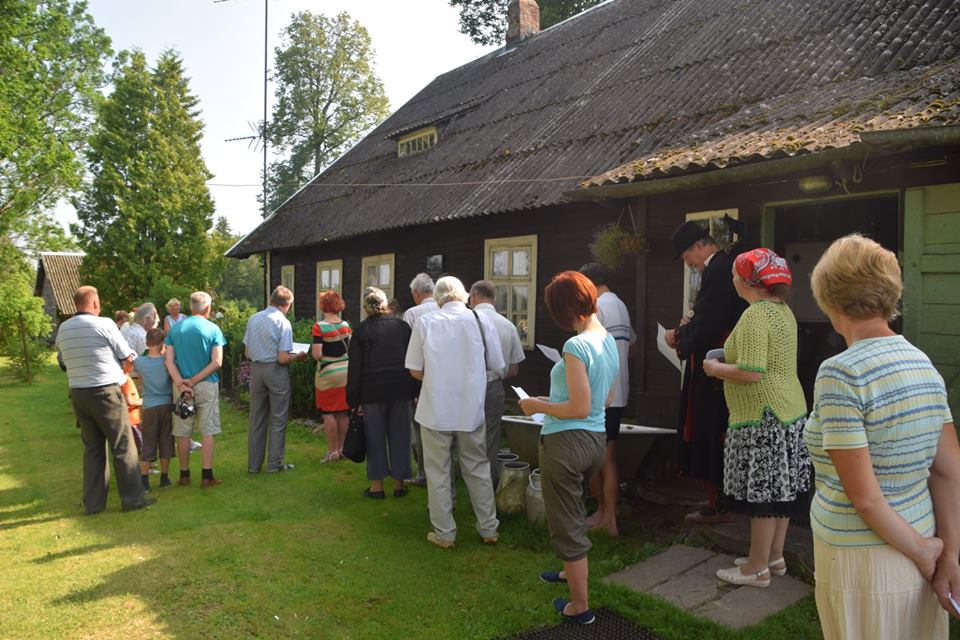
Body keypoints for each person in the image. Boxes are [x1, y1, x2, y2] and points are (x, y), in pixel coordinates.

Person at [804, 234, 959, 639]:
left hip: (863, 563)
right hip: (923, 549)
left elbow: (866, 499)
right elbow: (949, 471)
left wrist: (925, 551)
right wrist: (949, 555)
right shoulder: (922, 362)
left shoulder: (840, 372)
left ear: (830, 299)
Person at [702, 248, 812, 587]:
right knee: (780, 491)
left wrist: (714, 368)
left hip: (763, 415)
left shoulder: (755, 315)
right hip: (789, 410)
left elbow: (751, 372)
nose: (732, 279)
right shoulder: (783, 311)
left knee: (763, 496)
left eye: (735, 274)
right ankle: (774, 557)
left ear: (749, 281)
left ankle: (756, 568)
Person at [518, 271, 618, 625]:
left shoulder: (575, 346)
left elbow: (578, 407)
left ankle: (580, 606)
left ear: (565, 312)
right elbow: (603, 400)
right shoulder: (607, 340)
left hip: (566, 443)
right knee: (572, 510)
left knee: (566, 524)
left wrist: (537, 405)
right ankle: (569, 571)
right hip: (595, 441)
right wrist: (551, 400)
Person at [405, 276, 504, 548]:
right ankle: (488, 528)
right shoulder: (480, 321)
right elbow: (496, 364)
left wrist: (437, 376)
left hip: (435, 409)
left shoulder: (425, 322)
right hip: (470, 408)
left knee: (438, 471)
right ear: (464, 295)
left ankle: (445, 532)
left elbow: (414, 369)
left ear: (437, 297)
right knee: (478, 467)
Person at [665, 222, 747, 524]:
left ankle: (722, 503)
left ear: (699, 246)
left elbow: (710, 323)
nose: (688, 263)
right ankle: (718, 498)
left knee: (712, 429)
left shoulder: (719, 271)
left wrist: (678, 336)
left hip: (716, 368)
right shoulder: (722, 269)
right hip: (719, 363)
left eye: (687, 256)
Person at [56, 286, 152, 513]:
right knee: (122, 444)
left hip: (78, 393)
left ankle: (94, 504)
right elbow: (128, 355)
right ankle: (133, 500)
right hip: (105, 391)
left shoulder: (63, 328)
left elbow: (62, 363)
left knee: (93, 448)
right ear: (95, 303)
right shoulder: (105, 324)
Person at [578, 263, 636, 537]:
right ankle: (606, 515)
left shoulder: (597, 308)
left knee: (598, 459)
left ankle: (607, 517)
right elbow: (631, 347)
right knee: (606, 456)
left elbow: (586, 350)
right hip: (619, 390)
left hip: (601, 394)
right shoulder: (620, 305)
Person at [347, 287, 416, 498]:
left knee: (374, 437)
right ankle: (399, 484)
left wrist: (353, 400)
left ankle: (377, 487)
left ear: (365, 308)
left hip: (372, 391)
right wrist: (414, 391)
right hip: (400, 388)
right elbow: (412, 360)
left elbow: (355, 368)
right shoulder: (402, 327)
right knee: (400, 435)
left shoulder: (361, 331)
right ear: (386, 304)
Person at [164, 291, 227, 488]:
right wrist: (194, 380)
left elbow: (168, 361)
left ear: (191, 307)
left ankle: (184, 475)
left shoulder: (176, 329)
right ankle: (207, 476)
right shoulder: (213, 328)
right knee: (208, 430)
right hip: (206, 384)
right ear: (207, 308)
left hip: (181, 386)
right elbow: (217, 361)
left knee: (182, 431)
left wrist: (181, 383)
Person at [243, 286, 307, 474]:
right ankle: (274, 465)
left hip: (256, 370)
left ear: (272, 300)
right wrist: (298, 357)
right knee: (278, 418)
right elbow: (283, 358)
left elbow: (247, 352)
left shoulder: (254, 318)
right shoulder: (283, 322)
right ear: (287, 304)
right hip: (275, 371)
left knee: (257, 418)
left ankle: (253, 466)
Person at [468, 280, 525, 489]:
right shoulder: (508, 325)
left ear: (474, 296)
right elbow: (514, 369)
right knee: (491, 438)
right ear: (494, 299)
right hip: (494, 386)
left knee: (464, 435)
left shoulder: (465, 321)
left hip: (466, 387)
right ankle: (487, 484)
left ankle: (464, 478)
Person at [403, 273, 439, 486]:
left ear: (416, 294)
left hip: (419, 378)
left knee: (420, 430)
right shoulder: (443, 309)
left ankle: (424, 474)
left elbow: (407, 351)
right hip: (446, 377)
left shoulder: (412, 314)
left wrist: (411, 390)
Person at [312, 290, 352, 462]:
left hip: (328, 374)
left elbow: (317, 354)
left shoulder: (319, 327)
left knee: (328, 413)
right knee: (343, 412)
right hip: (345, 371)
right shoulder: (346, 325)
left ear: (323, 306)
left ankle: (332, 451)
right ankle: (343, 449)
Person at [135, 328, 175, 489]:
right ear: (162, 344)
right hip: (166, 403)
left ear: (146, 343)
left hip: (149, 405)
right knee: (166, 439)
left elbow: (137, 376)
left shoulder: (139, 361)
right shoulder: (167, 362)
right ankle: (164, 477)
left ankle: (144, 480)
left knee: (148, 441)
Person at [120, 358, 144, 462]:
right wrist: (142, 401)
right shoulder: (126, 380)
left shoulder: (122, 379)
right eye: (130, 363)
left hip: (131, 419)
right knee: (140, 444)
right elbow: (129, 401)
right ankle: (142, 466)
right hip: (132, 420)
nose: (132, 365)